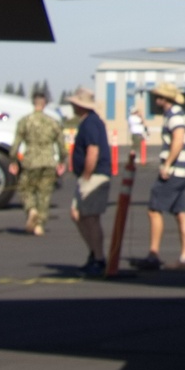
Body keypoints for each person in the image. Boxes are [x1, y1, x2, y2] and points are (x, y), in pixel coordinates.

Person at [136, 83, 185, 271]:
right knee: (180, 211)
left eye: (158, 97)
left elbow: (178, 141)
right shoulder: (176, 114)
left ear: (165, 98)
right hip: (183, 171)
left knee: (154, 209)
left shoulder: (174, 115)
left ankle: (153, 254)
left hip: (174, 171)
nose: (156, 100)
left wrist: (167, 164)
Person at [64, 87, 112, 277]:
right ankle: (93, 253)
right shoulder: (88, 122)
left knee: (90, 217)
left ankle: (99, 259)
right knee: (78, 214)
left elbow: (93, 151)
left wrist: (86, 176)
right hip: (88, 175)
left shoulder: (91, 123)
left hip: (94, 176)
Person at [8, 89, 66, 236]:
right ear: (45, 104)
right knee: (44, 194)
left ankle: (31, 209)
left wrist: (13, 160)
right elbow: (61, 145)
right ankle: (40, 224)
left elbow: (15, 145)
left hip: (30, 161)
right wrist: (62, 161)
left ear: (33, 103)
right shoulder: (53, 122)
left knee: (25, 188)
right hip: (48, 161)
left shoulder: (25, 121)